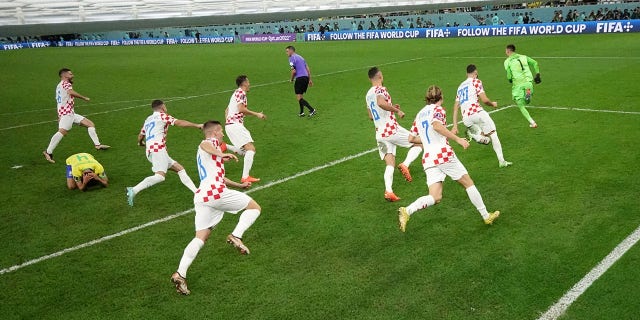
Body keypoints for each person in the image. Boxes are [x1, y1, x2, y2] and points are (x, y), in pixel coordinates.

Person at [170, 120, 261, 295]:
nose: (223, 135)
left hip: (202, 196)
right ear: (214, 132)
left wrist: (239, 186)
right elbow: (205, 144)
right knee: (254, 208)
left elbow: (220, 178)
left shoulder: (210, 156)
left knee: (200, 238)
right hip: (215, 193)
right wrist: (222, 154)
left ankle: (180, 273)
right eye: (221, 132)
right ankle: (236, 236)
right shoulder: (209, 143)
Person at [398, 85, 500, 232]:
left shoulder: (419, 114)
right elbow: (437, 126)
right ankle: (486, 216)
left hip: (428, 157)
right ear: (441, 97)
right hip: (442, 154)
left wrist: (429, 140)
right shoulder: (439, 110)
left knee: (435, 196)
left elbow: (411, 138)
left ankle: (407, 210)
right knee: (468, 183)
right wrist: (458, 139)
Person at [126, 100, 202, 206]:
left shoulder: (148, 119)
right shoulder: (162, 116)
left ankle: (197, 193)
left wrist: (140, 143)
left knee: (180, 169)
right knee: (160, 176)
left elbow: (140, 135)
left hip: (151, 151)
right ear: (162, 107)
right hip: (158, 150)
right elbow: (179, 123)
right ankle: (134, 190)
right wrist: (197, 125)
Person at [366, 67, 423, 202]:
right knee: (419, 142)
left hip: (379, 132)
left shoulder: (368, 94)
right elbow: (380, 103)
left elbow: (370, 116)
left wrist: (391, 108)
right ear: (380, 76)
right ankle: (406, 164)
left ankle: (389, 191)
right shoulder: (381, 88)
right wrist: (397, 111)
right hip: (390, 129)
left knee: (390, 163)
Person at [43, 68, 110, 163]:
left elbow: (59, 101)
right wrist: (84, 98)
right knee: (62, 132)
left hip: (68, 112)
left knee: (90, 124)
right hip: (67, 113)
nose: (72, 75)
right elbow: (70, 92)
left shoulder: (59, 86)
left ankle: (97, 145)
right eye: (70, 74)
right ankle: (48, 152)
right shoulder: (66, 83)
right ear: (65, 75)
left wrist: (59, 115)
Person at [451, 64, 512, 168]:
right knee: (493, 135)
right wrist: (493, 104)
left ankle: (475, 135)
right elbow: (484, 100)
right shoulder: (476, 81)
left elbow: (456, 106)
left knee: (486, 139)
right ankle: (502, 161)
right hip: (477, 113)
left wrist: (455, 125)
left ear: (466, 74)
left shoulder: (460, 87)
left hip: (466, 118)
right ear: (475, 73)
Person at [225, 75, 266, 184]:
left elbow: (226, 110)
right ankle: (245, 177)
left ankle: (225, 146)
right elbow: (241, 109)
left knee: (245, 152)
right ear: (244, 83)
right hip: (235, 125)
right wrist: (257, 114)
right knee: (251, 149)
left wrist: (228, 121)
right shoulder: (241, 93)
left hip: (230, 125)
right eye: (248, 82)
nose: (249, 84)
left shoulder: (235, 93)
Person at [504, 44, 541, 128]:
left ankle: (532, 122)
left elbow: (509, 75)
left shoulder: (507, 61)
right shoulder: (524, 57)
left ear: (508, 51)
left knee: (520, 105)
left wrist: (509, 79)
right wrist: (538, 74)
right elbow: (535, 63)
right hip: (529, 82)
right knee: (527, 101)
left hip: (518, 85)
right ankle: (528, 93)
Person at [285, 46, 317, 117]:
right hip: (305, 78)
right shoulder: (301, 57)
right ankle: (302, 112)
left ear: (291, 51)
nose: (286, 53)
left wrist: (291, 79)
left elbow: (293, 71)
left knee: (299, 98)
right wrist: (310, 79)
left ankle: (312, 110)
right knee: (301, 96)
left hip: (300, 79)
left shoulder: (291, 58)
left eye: (287, 51)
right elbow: (308, 69)